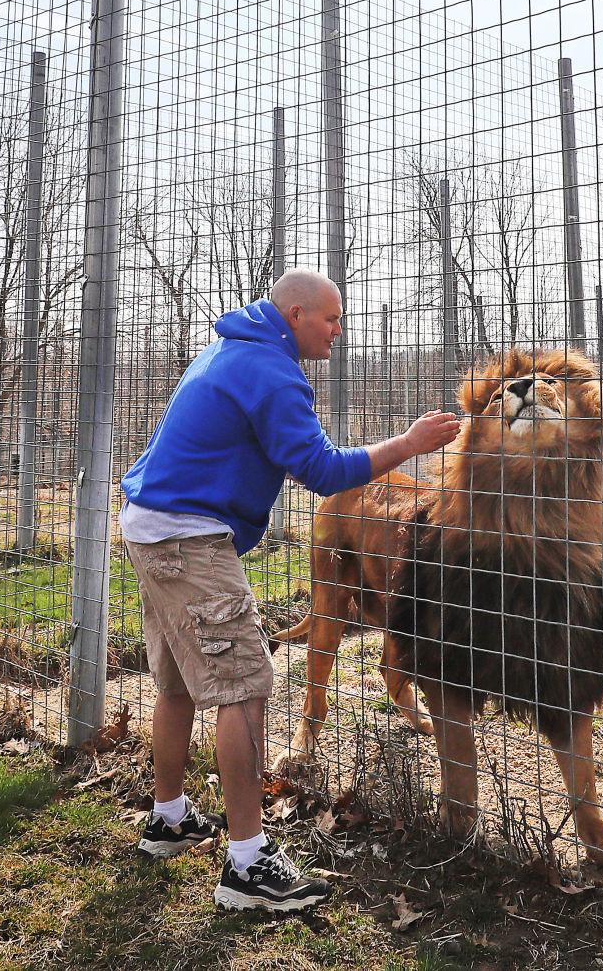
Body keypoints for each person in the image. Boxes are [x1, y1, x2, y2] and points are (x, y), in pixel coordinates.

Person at [120, 269, 459, 913]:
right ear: (296, 314)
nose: (339, 330)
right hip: (189, 538)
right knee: (244, 688)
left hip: (152, 526)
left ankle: (168, 820)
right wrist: (410, 444)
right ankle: (247, 869)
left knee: (177, 684)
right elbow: (323, 470)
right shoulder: (272, 372)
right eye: (331, 319)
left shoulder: (234, 348)